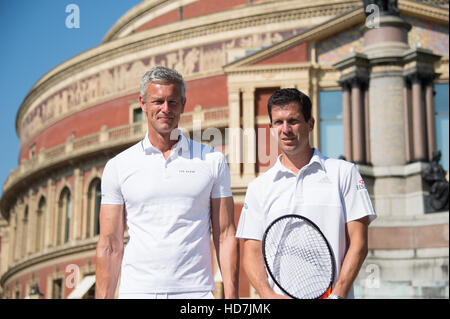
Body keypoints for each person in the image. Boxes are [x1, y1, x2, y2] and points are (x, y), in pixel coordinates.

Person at [96, 66, 239, 299]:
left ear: (183, 104)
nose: (165, 109)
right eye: (158, 102)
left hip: (195, 295)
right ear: (143, 104)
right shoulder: (118, 166)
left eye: (173, 102)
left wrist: (232, 299)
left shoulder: (212, 161)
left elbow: (224, 235)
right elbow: (110, 245)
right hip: (137, 292)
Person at [236, 88, 376, 299]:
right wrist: (267, 294)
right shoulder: (258, 187)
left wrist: (337, 294)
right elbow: (251, 251)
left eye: (293, 121)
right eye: (278, 122)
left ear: (310, 124)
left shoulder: (344, 173)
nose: (286, 129)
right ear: (271, 128)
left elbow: (359, 243)